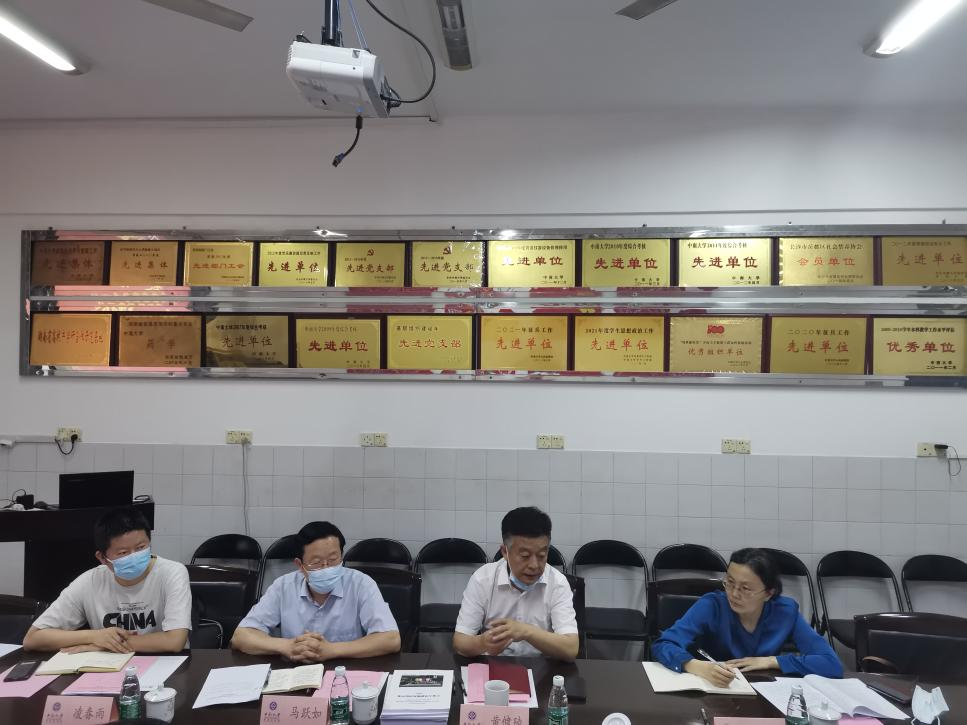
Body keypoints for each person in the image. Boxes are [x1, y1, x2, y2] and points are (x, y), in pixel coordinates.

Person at [652, 547, 843, 685]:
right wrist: (696, 666)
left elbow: (831, 664)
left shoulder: (785, 612)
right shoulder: (712, 605)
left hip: (763, 692)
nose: (734, 594)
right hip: (713, 689)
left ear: (768, 593)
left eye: (745, 588)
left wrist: (771, 661)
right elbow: (663, 644)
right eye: (730, 583)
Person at [23, 507, 191, 653]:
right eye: (123, 553)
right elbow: (33, 639)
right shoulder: (90, 581)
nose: (134, 556)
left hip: (165, 664)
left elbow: (174, 641)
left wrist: (105, 645)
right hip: (107, 668)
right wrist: (95, 636)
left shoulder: (172, 573)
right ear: (102, 558)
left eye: (141, 548)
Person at [231, 521, 400, 661]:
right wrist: (288, 646)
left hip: (346, 673)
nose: (326, 568)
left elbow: (391, 639)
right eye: (317, 562)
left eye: (333, 559)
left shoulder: (361, 584)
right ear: (300, 565)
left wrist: (332, 650)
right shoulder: (283, 586)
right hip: (294, 673)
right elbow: (241, 636)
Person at [453, 506, 579, 661]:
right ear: (505, 552)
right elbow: (460, 642)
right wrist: (482, 643)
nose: (534, 565)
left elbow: (571, 649)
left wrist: (527, 632)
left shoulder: (557, 583)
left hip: (542, 668)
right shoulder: (483, 579)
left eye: (541, 555)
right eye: (525, 556)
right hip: (494, 667)